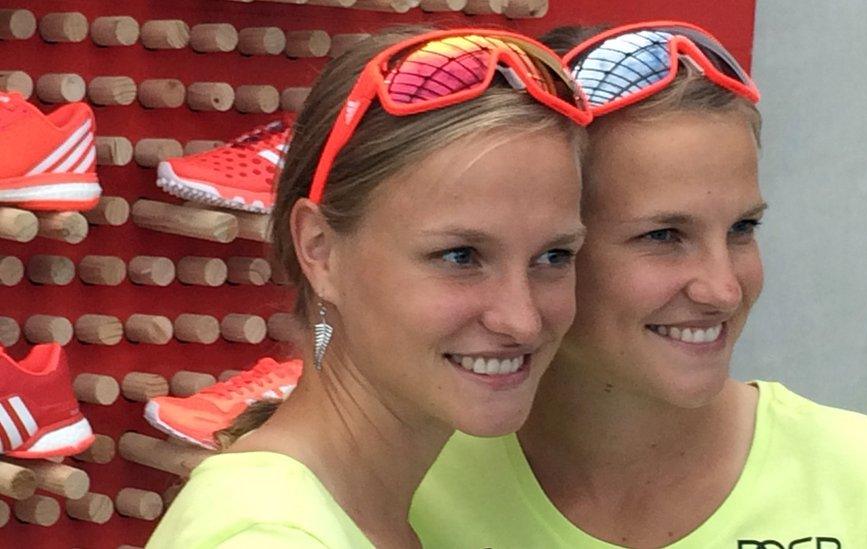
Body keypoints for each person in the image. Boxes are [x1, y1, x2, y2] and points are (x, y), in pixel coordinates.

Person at [411, 22, 867, 548]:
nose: (724, 290)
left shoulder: (858, 475)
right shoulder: (412, 477)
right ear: (549, 251)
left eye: (742, 229)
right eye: (663, 235)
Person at [147, 26, 591, 548]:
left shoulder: (378, 510)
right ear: (320, 249)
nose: (523, 320)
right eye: (459, 256)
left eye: (553, 256)